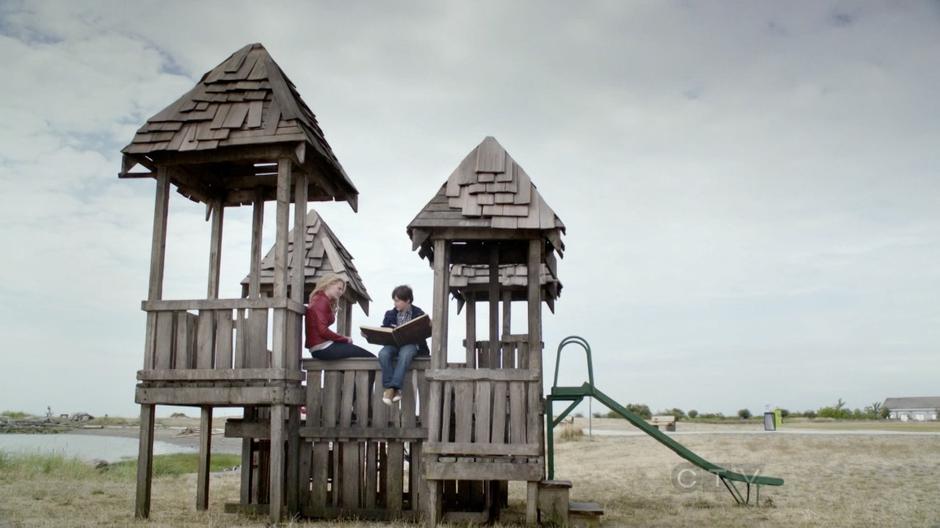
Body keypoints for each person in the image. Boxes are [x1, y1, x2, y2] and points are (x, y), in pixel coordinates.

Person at [377, 285, 429, 405]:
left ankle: (392, 389)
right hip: (393, 344)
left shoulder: (418, 313)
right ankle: (392, 389)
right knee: (383, 353)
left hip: (411, 344)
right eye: (394, 301)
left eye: (398, 301)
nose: (395, 304)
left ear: (408, 300)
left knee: (405, 354)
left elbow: (425, 332)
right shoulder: (389, 313)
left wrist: (429, 325)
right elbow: (385, 329)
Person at [305, 273, 374, 360]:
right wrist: (344, 339)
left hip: (321, 346)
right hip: (322, 347)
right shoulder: (321, 301)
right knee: (371, 358)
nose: (341, 292)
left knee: (353, 358)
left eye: (342, 290)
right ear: (329, 284)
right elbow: (323, 331)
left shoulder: (320, 299)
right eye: (339, 288)